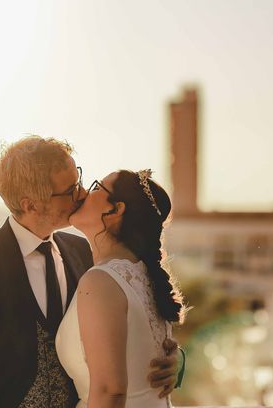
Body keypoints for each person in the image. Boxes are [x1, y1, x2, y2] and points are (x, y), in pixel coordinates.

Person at [0, 136, 183, 407]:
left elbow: (128, 324)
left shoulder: (86, 253)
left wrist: (174, 361)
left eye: (78, 180)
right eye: (70, 190)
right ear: (30, 204)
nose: (81, 194)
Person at [57, 169, 185, 407]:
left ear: (115, 210)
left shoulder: (102, 281)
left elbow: (110, 391)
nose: (84, 193)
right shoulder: (145, 276)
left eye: (97, 187)